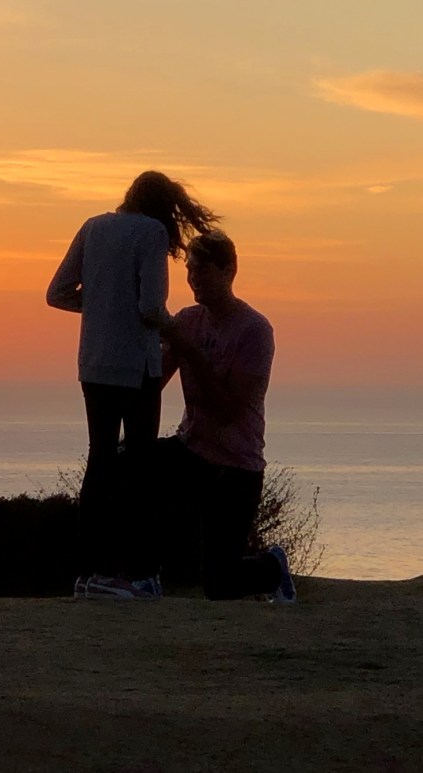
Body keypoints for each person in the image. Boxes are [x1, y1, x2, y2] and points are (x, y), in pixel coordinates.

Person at [46, 170, 219, 600]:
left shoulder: (93, 226)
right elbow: (150, 307)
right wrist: (173, 329)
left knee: (99, 464)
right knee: (141, 470)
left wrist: (104, 305)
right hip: (137, 369)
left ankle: (90, 572)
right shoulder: (152, 231)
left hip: (94, 365)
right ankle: (140, 572)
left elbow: (58, 292)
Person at [159, 230, 296, 602]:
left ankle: (272, 566)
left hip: (236, 468)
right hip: (191, 452)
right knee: (130, 466)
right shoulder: (187, 320)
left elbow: (229, 410)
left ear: (228, 271)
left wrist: (190, 352)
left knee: (219, 584)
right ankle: (133, 573)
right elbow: (153, 379)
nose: (193, 279)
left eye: (202, 270)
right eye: (190, 269)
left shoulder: (254, 330)